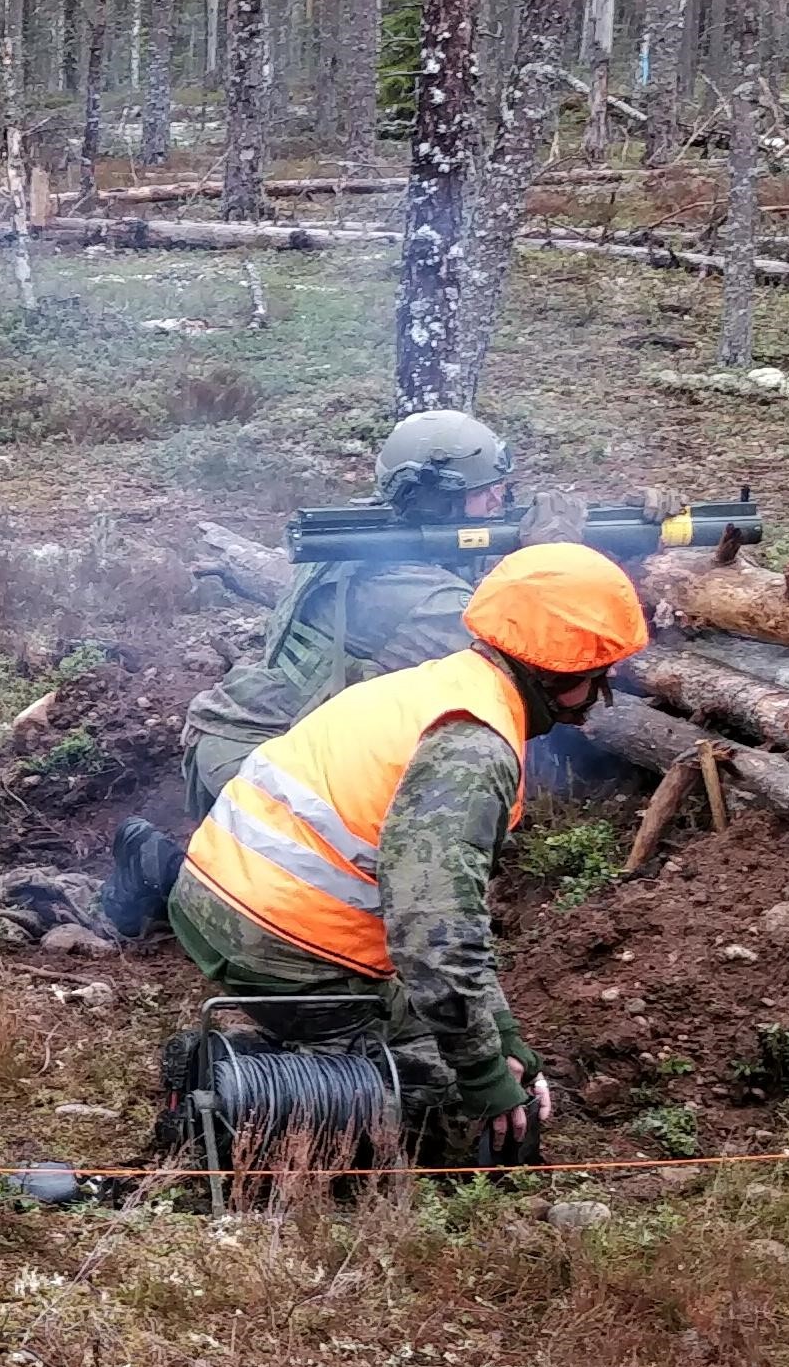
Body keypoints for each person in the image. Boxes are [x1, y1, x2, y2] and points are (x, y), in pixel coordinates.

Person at [160, 541, 648, 1176]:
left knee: (440, 1035)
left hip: (225, 903)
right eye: (602, 675)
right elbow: (434, 936)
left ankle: (276, 1046)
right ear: (564, 676)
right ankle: (239, 1090)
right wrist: (482, 1078)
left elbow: (447, 927)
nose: (602, 694)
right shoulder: (473, 750)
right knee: (444, 1113)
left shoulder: (440, 685)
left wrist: (500, 1036)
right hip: (282, 943)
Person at [96, 408, 515, 936]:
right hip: (269, 777)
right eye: (487, 494)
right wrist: (550, 554)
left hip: (238, 741)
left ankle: (213, 870)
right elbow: (525, 651)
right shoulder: (420, 596)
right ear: (439, 499)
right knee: (349, 918)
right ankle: (176, 880)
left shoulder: (354, 537)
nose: (500, 505)